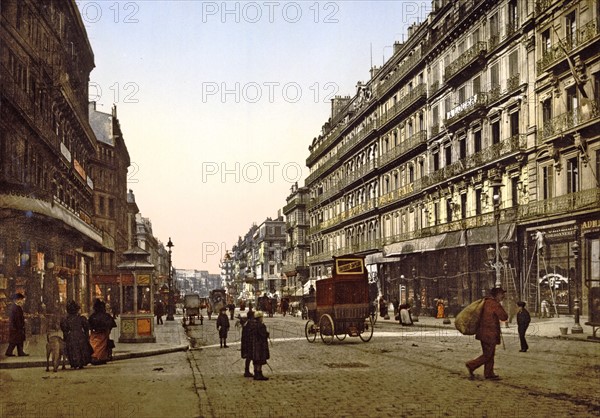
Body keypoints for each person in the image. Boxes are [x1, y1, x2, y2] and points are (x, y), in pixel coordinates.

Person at [465, 287, 508, 380]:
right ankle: (471, 365)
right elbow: (504, 317)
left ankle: (489, 373)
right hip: (490, 334)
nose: (503, 296)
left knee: (489, 353)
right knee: (488, 355)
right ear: (497, 295)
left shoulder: (485, 302)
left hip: (482, 333)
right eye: (502, 294)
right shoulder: (494, 304)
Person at [60, 300, 92, 369]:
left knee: (73, 350)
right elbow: (86, 328)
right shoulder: (81, 318)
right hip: (80, 334)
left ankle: (74, 363)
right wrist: (87, 337)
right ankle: (80, 363)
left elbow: (65, 330)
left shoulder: (66, 320)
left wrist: (65, 338)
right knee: (81, 349)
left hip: (71, 336)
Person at [88, 299, 117, 365]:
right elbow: (111, 325)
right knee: (102, 346)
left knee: (94, 345)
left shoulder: (92, 316)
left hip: (94, 335)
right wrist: (108, 331)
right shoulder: (106, 316)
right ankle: (101, 357)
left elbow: (89, 326)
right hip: (104, 334)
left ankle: (95, 357)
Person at [4, 293, 28, 357]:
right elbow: (17, 319)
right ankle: (9, 352)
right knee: (14, 341)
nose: (23, 301)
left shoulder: (16, 307)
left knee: (18, 340)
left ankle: (20, 352)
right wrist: (21, 325)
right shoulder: (16, 308)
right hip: (16, 328)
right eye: (22, 300)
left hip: (16, 327)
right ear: (18, 300)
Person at [252, 311, 270, 381]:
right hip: (260, 344)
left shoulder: (253, 324)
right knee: (260, 359)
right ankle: (259, 374)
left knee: (256, 359)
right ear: (259, 318)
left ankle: (256, 373)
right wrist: (267, 334)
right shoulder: (261, 325)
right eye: (262, 317)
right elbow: (263, 334)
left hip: (255, 343)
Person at [240, 310, 255, 378]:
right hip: (249, 343)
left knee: (249, 357)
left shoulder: (247, 323)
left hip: (246, 343)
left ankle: (247, 371)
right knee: (250, 357)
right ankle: (250, 371)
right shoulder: (250, 324)